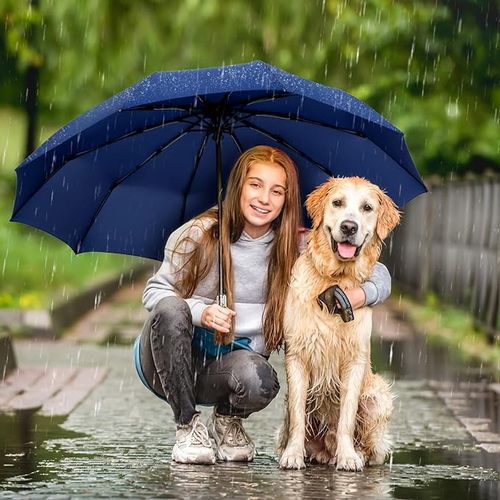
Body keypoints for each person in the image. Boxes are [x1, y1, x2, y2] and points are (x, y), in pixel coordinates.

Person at [134, 145, 392, 465]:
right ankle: (187, 426)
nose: (264, 199)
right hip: (167, 362)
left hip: (225, 365)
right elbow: (154, 293)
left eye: (277, 191)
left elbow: (375, 270)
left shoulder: (294, 244)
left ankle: (228, 420)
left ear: (286, 199)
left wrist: (361, 295)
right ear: (238, 186)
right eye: (255, 185)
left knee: (262, 380)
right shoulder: (197, 233)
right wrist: (201, 311)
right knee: (171, 310)